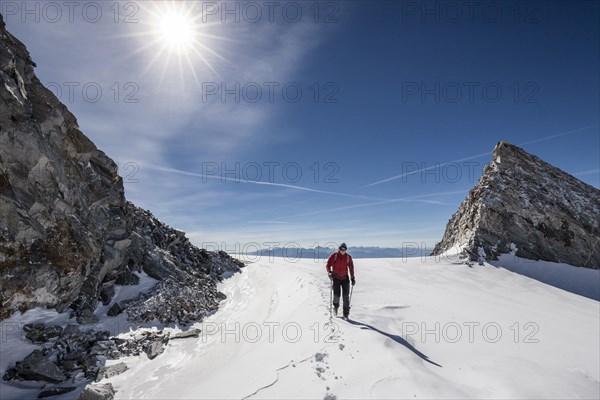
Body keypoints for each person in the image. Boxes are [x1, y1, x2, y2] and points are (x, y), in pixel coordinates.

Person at [326, 243, 355, 318]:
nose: (343, 250)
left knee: (345, 296)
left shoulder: (348, 257)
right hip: (336, 278)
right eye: (341, 249)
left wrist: (352, 277)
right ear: (339, 248)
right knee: (336, 295)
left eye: (344, 249)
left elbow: (351, 268)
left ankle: (346, 313)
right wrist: (329, 272)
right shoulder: (334, 256)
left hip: (345, 278)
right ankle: (335, 307)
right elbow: (328, 264)